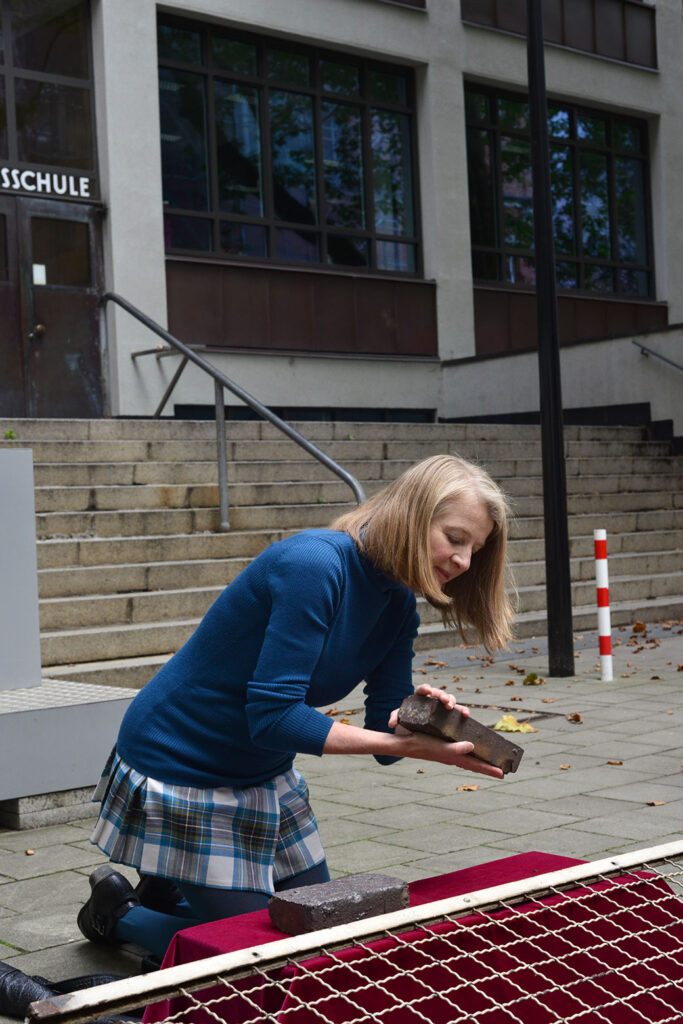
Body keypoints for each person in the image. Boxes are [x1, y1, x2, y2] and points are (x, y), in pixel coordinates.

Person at [77, 454, 514, 962]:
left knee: (325, 929)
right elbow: (274, 716)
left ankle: (171, 883)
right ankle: (119, 912)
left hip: (259, 772)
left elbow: (385, 739)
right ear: (413, 513)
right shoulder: (315, 564)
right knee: (253, 955)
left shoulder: (397, 604)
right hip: (180, 762)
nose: (463, 562)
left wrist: (424, 719)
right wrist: (410, 746)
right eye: (456, 538)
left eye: (474, 551)